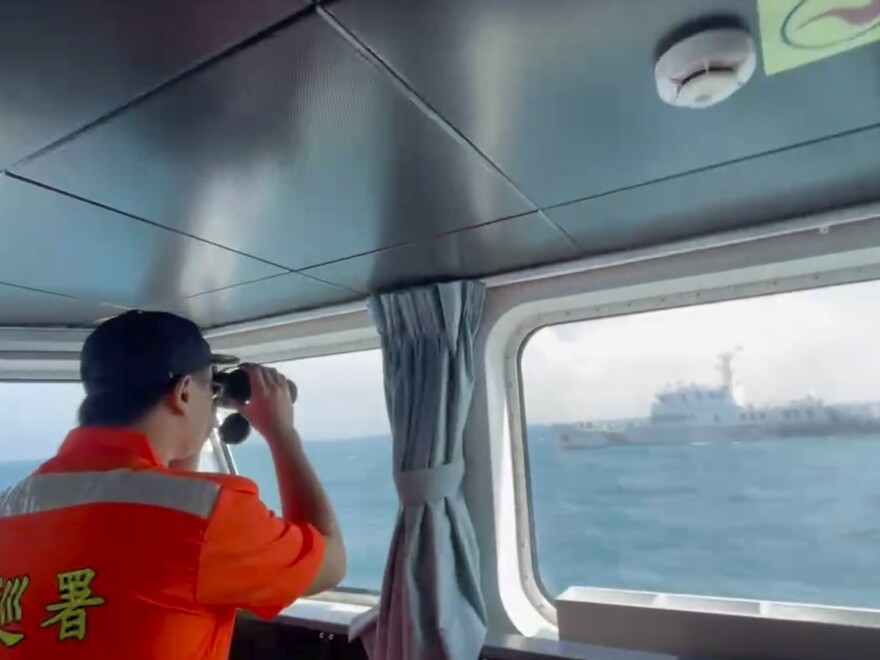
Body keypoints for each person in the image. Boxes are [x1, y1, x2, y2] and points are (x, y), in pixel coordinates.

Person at [0, 310, 346, 659]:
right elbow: (329, 562)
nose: (212, 412)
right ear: (182, 394)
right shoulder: (208, 516)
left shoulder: (11, 505)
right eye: (209, 390)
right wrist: (282, 432)